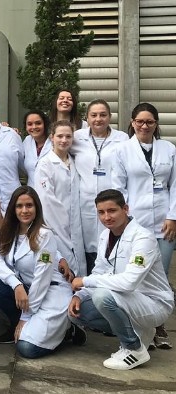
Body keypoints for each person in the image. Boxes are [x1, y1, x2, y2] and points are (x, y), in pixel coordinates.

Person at [69, 189, 174, 369]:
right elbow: (100, 270)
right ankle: (140, 333)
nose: (106, 217)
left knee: (103, 297)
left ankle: (133, 348)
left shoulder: (143, 238)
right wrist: (80, 295)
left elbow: (129, 282)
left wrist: (85, 281)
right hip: (127, 300)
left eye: (112, 210)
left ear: (125, 209)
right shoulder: (105, 236)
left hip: (154, 302)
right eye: (101, 212)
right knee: (78, 313)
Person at [0, 186, 77, 358]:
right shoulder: (8, 231)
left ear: (37, 208)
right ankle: (16, 325)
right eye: (19, 206)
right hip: (27, 288)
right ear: (13, 209)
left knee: (27, 348)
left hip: (50, 291)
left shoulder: (44, 234)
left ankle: (69, 329)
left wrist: (25, 318)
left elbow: (42, 279)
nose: (24, 210)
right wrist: (16, 284)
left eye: (29, 206)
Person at [112, 102, 176, 349]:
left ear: (156, 124)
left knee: (160, 276)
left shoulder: (169, 149)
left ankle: (160, 325)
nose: (144, 126)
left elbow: (174, 185)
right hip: (135, 223)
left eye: (150, 122)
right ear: (132, 122)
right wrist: (125, 221)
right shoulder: (123, 150)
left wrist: (173, 216)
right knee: (137, 275)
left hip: (164, 224)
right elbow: (119, 187)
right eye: (140, 121)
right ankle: (141, 327)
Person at [71, 99, 128, 272]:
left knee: (113, 243)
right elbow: (58, 146)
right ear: (87, 118)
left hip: (112, 202)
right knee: (88, 246)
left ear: (110, 117)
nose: (98, 119)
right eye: (93, 115)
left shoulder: (122, 139)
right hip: (85, 202)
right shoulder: (77, 137)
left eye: (103, 115)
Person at [34, 120, 86, 276]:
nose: (64, 140)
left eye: (68, 136)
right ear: (52, 137)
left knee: (79, 270)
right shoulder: (45, 164)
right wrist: (63, 223)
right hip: (56, 225)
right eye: (60, 136)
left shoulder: (74, 161)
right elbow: (46, 200)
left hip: (76, 225)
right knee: (62, 268)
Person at [22, 110, 52, 187]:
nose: (34, 127)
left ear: (45, 124)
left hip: (52, 191)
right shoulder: (27, 141)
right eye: (29, 124)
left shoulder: (54, 142)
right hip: (32, 192)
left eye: (38, 123)